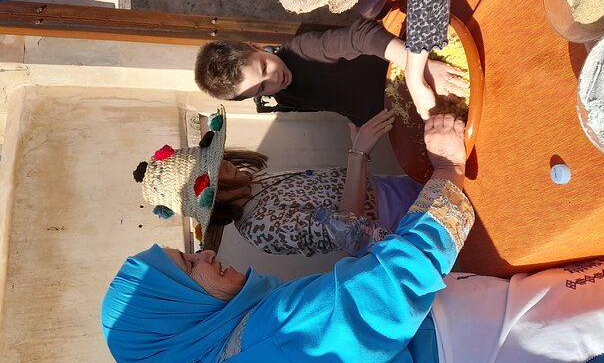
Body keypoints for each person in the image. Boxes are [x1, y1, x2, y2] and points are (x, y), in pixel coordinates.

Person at [102, 114, 604, 363]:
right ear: (173, 319)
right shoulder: (261, 339)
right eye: (188, 269)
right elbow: (378, 289)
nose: (203, 257)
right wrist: (444, 173)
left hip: (456, 325)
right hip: (475, 349)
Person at [133, 106, 423, 256]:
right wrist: (357, 154)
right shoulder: (261, 229)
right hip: (399, 224)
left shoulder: (255, 183)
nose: (222, 164)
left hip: (395, 188)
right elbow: (350, 232)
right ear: (212, 202)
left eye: (214, 157)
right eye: (212, 175)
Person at [194, 19, 467, 127]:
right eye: (262, 89)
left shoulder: (303, 49)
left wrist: (417, 69)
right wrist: (357, 125)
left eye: (264, 68)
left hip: (417, 66)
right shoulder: (287, 97)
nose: (274, 81)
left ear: (255, 47)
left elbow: (362, 35)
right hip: (406, 110)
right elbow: (338, 101)